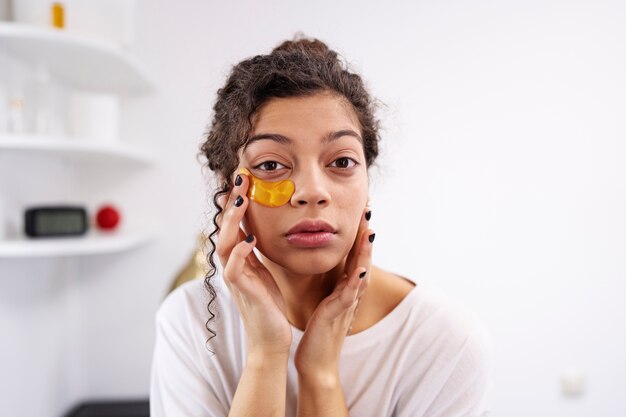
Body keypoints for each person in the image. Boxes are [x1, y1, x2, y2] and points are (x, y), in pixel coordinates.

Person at [150, 36, 493, 417]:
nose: (313, 192)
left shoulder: (445, 342)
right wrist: (266, 355)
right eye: (270, 165)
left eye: (341, 162)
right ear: (228, 189)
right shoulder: (191, 323)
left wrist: (320, 375)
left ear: (367, 178)